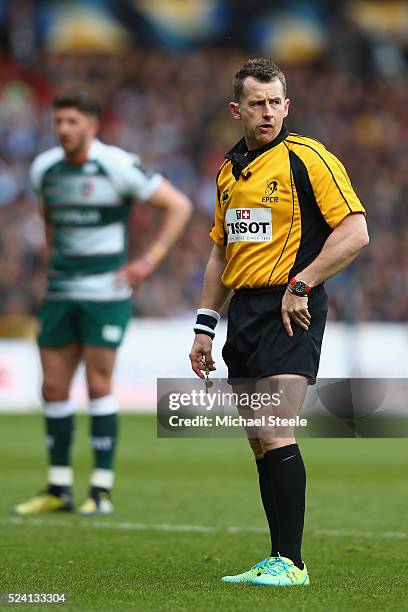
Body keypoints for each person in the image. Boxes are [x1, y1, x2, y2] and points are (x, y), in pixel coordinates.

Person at [189, 58, 369, 586]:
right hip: (243, 313)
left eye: (275, 103)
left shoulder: (308, 158)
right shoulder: (229, 170)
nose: (267, 112)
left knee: (274, 428)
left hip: (292, 310)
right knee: (258, 439)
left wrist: (301, 283)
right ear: (236, 109)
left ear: (287, 106)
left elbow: (355, 232)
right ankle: (278, 557)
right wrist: (204, 326)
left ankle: (292, 563)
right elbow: (220, 255)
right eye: (256, 103)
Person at [14, 88, 192, 516]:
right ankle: (59, 488)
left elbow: (178, 205)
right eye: (58, 121)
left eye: (72, 122)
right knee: (53, 387)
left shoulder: (117, 165)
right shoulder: (45, 170)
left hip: (105, 293)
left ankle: (101, 489)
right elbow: (50, 220)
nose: (63, 129)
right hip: (60, 291)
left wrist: (149, 259)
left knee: (98, 385)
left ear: (92, 126)